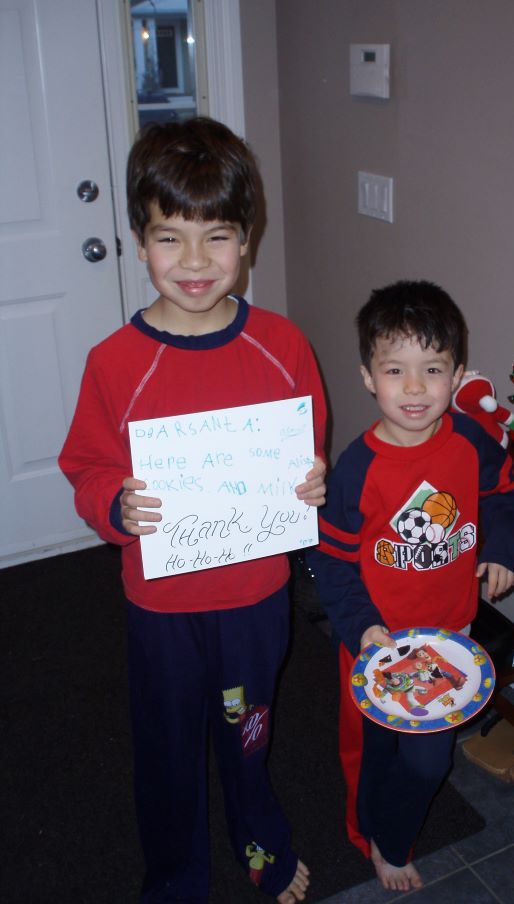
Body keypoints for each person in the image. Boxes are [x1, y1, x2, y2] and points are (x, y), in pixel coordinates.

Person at [59, 117, 327, 904]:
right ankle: (175, 876)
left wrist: (312, 482)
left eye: (217, 236)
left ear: (248, 239)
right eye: (170, 238)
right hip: (162, 607)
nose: (196, 262)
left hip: (253, 600)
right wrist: (114, 501)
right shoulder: (115, 363)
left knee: (249, 733)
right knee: (169, 747)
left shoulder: (283, 345)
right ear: (139, 244)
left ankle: (259, 839)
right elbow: (84, 467)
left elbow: (305, 452)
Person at [305, 280, 514, 893]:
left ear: (456, 375)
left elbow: (506, 491)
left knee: (428, 757)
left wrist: (501, 547)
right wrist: (360, 626)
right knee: (373, 753)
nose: (415, 387)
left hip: (449, 639)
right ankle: (368, 828)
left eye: (432, 369)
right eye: (395, 370)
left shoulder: (471, 440)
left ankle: (392, 842)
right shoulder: (356, 469)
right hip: (377, 645)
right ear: (369, 377)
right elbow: (332, 562)